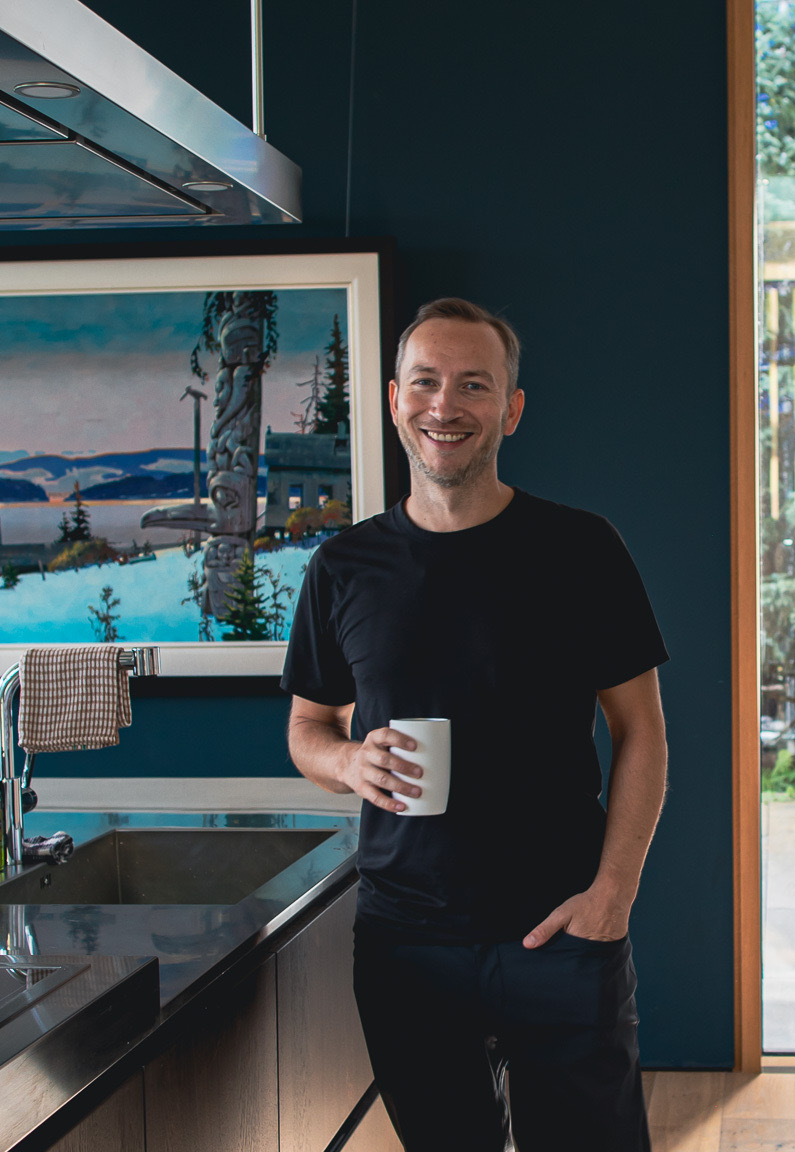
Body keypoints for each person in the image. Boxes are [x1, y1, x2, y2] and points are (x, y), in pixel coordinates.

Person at [281, 298, 669, 1152]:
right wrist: (348, 764)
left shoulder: (581, 550)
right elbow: (307, 725)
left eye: (473, 385)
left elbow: (642, 732)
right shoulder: (344, 568)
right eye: (424, 383)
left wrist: (615, 894)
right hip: (405, 941)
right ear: (394, 401)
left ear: (511, 409)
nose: (443, 407)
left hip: (561, 928)